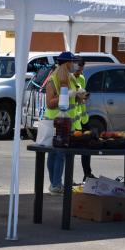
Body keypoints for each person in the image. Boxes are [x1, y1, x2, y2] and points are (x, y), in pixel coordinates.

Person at [44, 51, 79, 195]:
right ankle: (56, 184)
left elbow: (73, 100)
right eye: (73, 62)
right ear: (66, 63)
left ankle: (55, 184)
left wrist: (79, 95)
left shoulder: (70, 78)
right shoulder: (53, 79)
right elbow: (50, 103)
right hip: (55, 122)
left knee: (57, 154)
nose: (75, 65)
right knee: (58, 154)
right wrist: (65, 95)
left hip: (66, 122)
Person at [73, 59, 95, 182]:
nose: (80, 72)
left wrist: (84, 96)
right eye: (78, 69)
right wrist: (78, 96)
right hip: (72, 120)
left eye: (82, 69)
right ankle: (67, 178)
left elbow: (81, 96)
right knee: (69, 150)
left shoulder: (81, 78)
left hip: (83, 118)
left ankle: (87, 174)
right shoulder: (69, 78)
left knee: (87, 147)